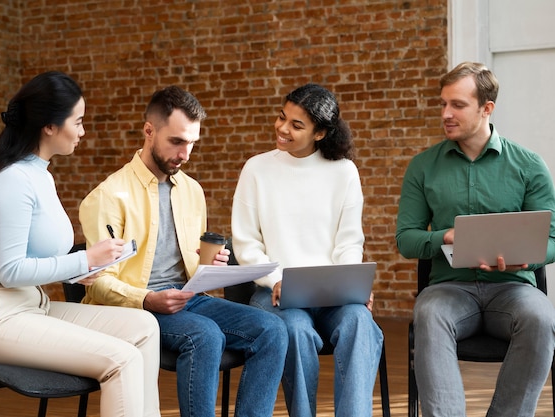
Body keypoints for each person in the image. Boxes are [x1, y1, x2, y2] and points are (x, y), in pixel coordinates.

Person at [0, 71, 161, 417]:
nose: (83, 131)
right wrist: (82, 261)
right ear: (49, 126)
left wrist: (85, 270)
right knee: (121, 359)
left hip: (33, 306)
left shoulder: (41, 175)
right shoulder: (12, 181)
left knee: (145, 328)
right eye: (77, 122)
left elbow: (37, 257)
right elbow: (11, 270)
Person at [78, 85, 288, 417]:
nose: (185, 154)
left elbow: (192, 270)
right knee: (204, 335)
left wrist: (211, 267)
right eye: (176, 141)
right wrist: (147, 299)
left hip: (188, 299)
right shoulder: (108, 196)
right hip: (137, 307)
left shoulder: (192, 191)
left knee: (273, 330)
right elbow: (99, 286)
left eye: (191, 143)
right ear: (149, 131)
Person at [395, 62, 555, 417]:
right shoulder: (423, 167)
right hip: (450, 288)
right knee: (430, 311)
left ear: (487, 108)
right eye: (442, 104)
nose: (446, 114)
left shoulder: (529, 165)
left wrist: (527, 258)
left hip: (512, 288)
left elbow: (553, 238)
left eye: (457, 105)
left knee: (541, 317)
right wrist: (444, 235)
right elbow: (406, 240)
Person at [231, 83, 384, 417]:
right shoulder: (257, 169)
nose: (283, 129)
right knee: (295, 330)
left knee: (359, 320)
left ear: (320, 133)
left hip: (330, 296)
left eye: (296, 125)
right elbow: (245, 244)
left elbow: (348, 241)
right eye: (282, 117)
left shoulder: (344, 172)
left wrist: (350, 285)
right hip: (274, 295)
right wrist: (275, 280)